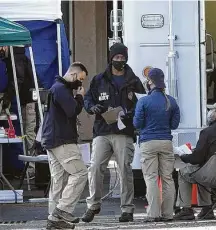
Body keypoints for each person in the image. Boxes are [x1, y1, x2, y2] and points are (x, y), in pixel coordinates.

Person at [82, 43, 146, 223]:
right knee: (95, 167)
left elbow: (142, 104)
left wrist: (129, 114)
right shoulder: (99, 79)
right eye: (117, 57)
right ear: (111, 58)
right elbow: (88, 98)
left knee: (125, 170)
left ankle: (127, 209)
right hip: (102, 130)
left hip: (124, 131)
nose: (120, 60)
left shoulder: (133, 81)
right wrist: (90, 107)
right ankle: (93, 206)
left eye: (122, 57)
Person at [41, 62, 89, 229]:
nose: (80, 84)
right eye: (80, 79)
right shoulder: (61, 90)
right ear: (74, 75)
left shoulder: (56, 88)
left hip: (52, 140)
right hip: (62, 140)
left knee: (58, 180)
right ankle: (62, 211)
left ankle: (53, 220)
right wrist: (80, 97)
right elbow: (72, 111)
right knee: (80, 173)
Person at [173, 101, 216, 220]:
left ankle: (186, 209)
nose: (210, 113)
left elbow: (196, 158)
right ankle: (206, 209)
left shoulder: (207, 132)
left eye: (212, 110)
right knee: (203, 168)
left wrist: (183, 156)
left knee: (184, 172)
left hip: (212, 176)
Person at [133, 68, 180, 222]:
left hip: (148, 143)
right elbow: (174, 124)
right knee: (168, 178)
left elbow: (136, 123)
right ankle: (168, 214)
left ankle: (153, 214)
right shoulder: (171, 101)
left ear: (150, 82)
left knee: (151, 178)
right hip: (166, 142)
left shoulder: (144, 101)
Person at [0, 46, 39, 177]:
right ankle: (28, 167)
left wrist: (7, 96)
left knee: (28, 132)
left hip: (27, 100)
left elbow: (18, 79)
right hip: (27, 99)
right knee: (27, 132)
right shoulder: (19, 56)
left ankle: (31, 168)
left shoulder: (16, 58)